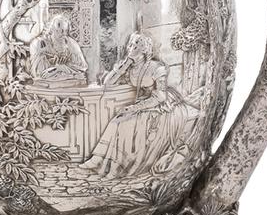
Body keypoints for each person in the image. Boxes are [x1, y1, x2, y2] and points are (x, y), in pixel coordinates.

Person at [79, 31, 188, 179]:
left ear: (144, 50)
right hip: (141, 103)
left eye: (136, 45)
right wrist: (125, 64)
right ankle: (98, 158)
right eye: (130, 44)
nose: (131, 48)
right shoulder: (130, 68)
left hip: (159, 106)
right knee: (117, 120)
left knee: (125, 123)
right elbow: (107, 82)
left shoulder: (157, 67)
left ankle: (117, 166)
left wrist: (135, 108)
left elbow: (161, 96)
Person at [29, 14, 88, 82]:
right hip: (47, 83)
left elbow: (82, 67)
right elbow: (40, 73)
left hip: (68, 81)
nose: (63, 34)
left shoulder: (71, 43)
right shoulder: (40, 43)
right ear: (52, 29)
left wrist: (60, 68)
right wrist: (56, 68)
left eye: (66, 31)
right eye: (60, 30)